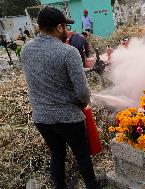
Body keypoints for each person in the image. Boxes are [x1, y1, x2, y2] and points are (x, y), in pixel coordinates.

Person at [21, 6, 104, 189]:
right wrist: (82, 104)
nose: (67, 31)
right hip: (68, 118)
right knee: (82, 155)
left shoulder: (25, 50)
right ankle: (92, 185)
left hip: (42, 118)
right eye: (65, 27)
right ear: (59, 28)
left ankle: (60, 186)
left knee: (57, 154)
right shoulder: (68, 53)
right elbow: (83, 92)